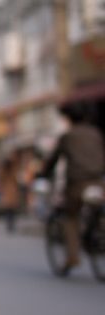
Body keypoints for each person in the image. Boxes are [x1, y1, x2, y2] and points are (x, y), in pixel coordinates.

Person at [40, 104, 105, 273]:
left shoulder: (68, 136)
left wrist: (43, 173)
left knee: (71, 217)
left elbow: (53, 160)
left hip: (77, 183)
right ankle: (96, 230)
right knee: (97, 210)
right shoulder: (96, 133)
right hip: (99, 182)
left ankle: (73, 256)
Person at [0, 154, 21, 234]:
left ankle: (10, 224)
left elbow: (0, 179)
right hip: (11, 190)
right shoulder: (10, 171)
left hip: (7, 191)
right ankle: (11, 224)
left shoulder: (5, 171)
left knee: (9, 210)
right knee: (11, 210)